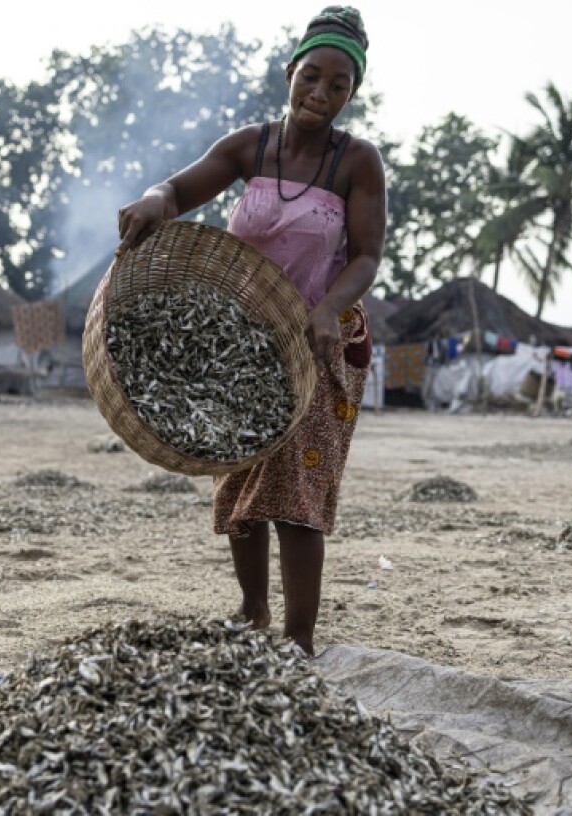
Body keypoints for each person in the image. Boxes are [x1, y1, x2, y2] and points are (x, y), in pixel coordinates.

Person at [116, 6, 387, 656]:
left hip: (321, 338)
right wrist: (155, 199)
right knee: (241, 473)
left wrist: (327, 309)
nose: (321, 93)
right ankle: (251, 610)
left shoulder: (359, 163)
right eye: (312, 76)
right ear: (291, 71)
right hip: (242, 338)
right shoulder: (250, 146)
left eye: (339, 85)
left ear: (353, 93)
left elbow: (366, 257)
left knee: (296, 486)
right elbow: (177, 191)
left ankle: (298, 637)